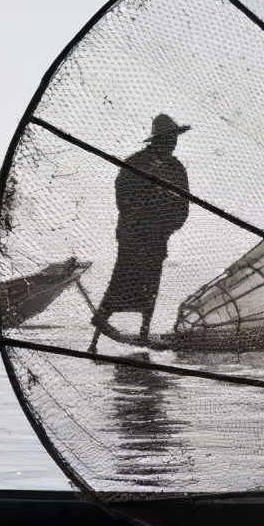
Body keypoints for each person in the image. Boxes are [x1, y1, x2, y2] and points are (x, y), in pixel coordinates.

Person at [89, 114, 191, 351]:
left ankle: (143, 332)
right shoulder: (135, 164)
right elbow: (124, 197)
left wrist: (167, 223)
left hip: (157, 236)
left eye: (174, 139)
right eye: (168, 139)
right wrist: (150, 203)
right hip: (134, 235)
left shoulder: (176, 169)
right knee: (121, 280)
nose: (172, 144)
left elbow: (182, 205)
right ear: (157, 140)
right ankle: (97, 333)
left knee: (150, 284)